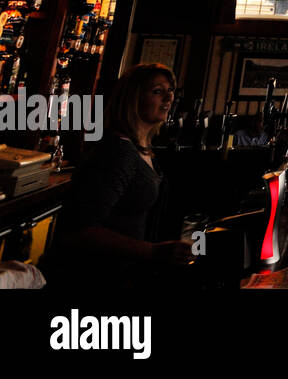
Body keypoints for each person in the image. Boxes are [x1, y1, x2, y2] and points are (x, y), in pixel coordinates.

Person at [44, 64, 192, 287]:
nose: (169, 98)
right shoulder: (118, 152)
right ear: (134, 98)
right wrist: (153, 252)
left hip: (124, 273)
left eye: (171, 91)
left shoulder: (141, 148)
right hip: (94, 278)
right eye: (158, 91)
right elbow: (79, 231)